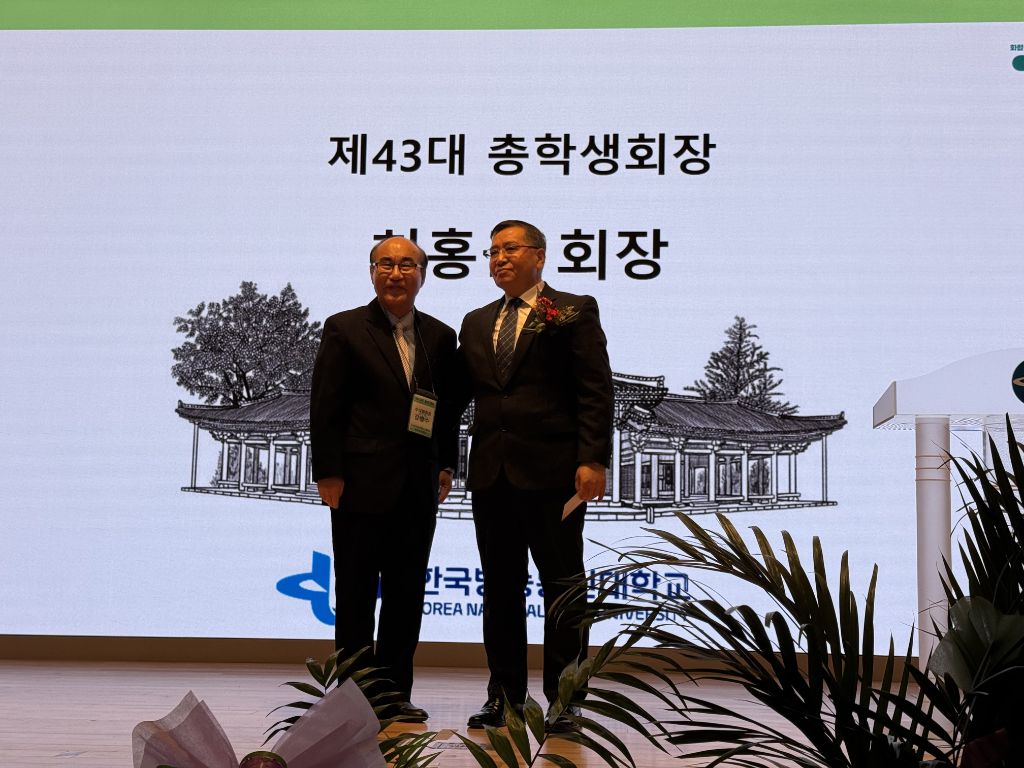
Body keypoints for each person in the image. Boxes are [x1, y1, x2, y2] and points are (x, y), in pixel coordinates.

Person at [455, 220, 614, 731]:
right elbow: (460, 396)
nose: (499, 258)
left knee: (563, 588)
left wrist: (593, 459)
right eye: (492, 251)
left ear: (539, 256)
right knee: (500, 589)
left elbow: (595, 389)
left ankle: (566, 700)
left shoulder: (573, 310)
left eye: (510, 248)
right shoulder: (475, 322)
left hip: (554, 476)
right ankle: (504, 696)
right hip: (492, 476)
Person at [309, 236, 457, 723]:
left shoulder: (440, 336)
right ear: (372, 272)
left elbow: (446, 411)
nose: (397, 273)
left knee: (406, 595)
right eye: (386, 264)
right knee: (354, 594)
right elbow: (325, 406)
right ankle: (353, 699)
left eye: (407, 265)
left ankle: (393, 696)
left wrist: (446, 463)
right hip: (358, 484)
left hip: (417, 487)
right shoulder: (345, 328)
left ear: (423, 275)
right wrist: (328, 472)